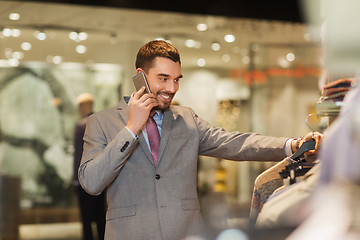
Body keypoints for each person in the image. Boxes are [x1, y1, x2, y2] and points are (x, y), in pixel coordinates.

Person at [78, 40, 322, 240]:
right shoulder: (101, 122)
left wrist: (292, 145)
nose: (172, 88)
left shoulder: (186, 118)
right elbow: (91, 182)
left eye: (176, 80)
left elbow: (235, 143)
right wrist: (131, 128)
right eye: (163, 78)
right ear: (140, 76)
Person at [74, 93, 106, 240]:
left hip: (84, 177)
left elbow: (79, 155)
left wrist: (75, 178)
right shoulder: (102, 122)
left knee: (86, 219)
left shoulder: (81, 125)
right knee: (101, 216)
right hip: (101, 176)